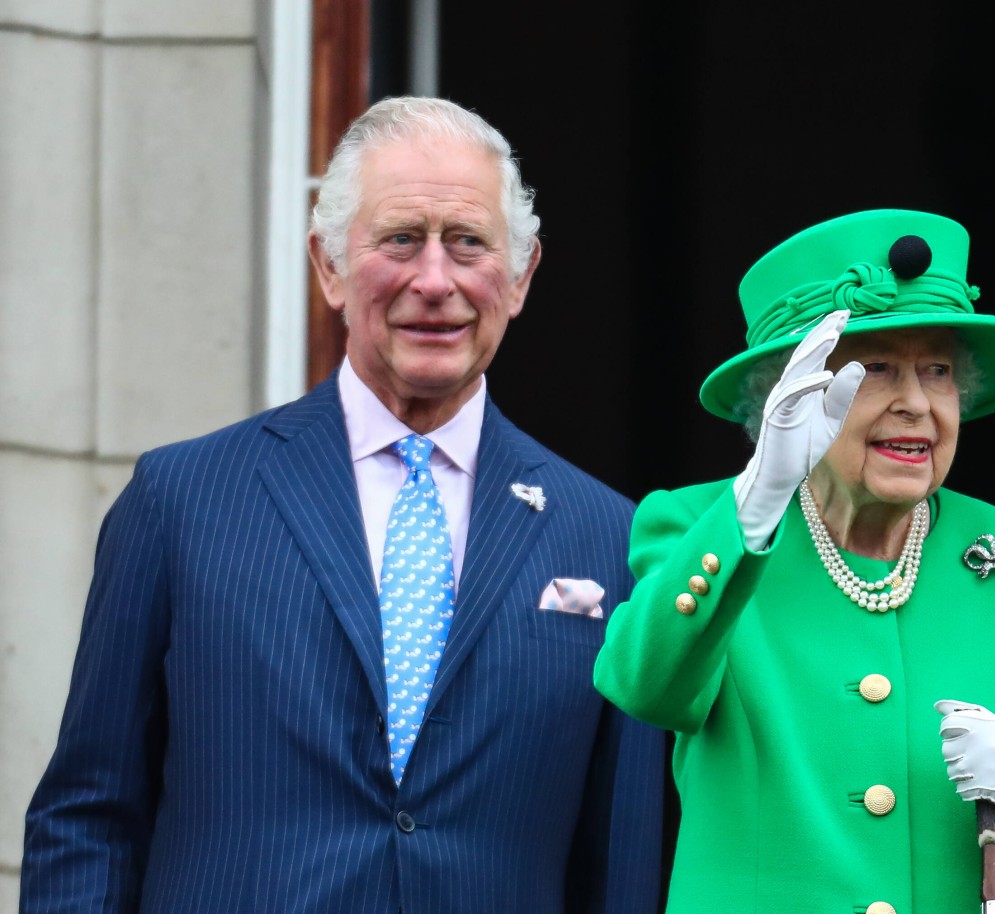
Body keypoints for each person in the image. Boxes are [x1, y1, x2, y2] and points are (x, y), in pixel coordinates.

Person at [22, 96, 665, 914]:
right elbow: (89, 820)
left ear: (521, 276)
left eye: (469, 243)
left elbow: (621, 866)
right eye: (400, 240)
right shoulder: (180, 502)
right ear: (328, 266)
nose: (436, 280)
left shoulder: (609, 536)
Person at [593, 209, 995, 913]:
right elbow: (643, 688)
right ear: (787, 393)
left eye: (938, 370)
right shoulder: (704, 529)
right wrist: (756, 498)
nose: (915, 403)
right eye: (876, 368)